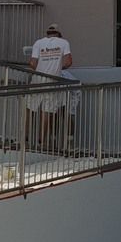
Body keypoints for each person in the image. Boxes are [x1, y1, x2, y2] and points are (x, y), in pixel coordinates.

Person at [28, 23, 73, 152]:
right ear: (58, 34)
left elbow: (32, 63)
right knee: (47, 111)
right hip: (52, 79)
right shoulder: (63, 43)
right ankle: (42, 142)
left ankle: (24, 139)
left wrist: (40, 68)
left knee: (30, 109)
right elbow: (69, 62)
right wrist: (58, 67)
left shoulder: (38, 43)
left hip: (37, 78)